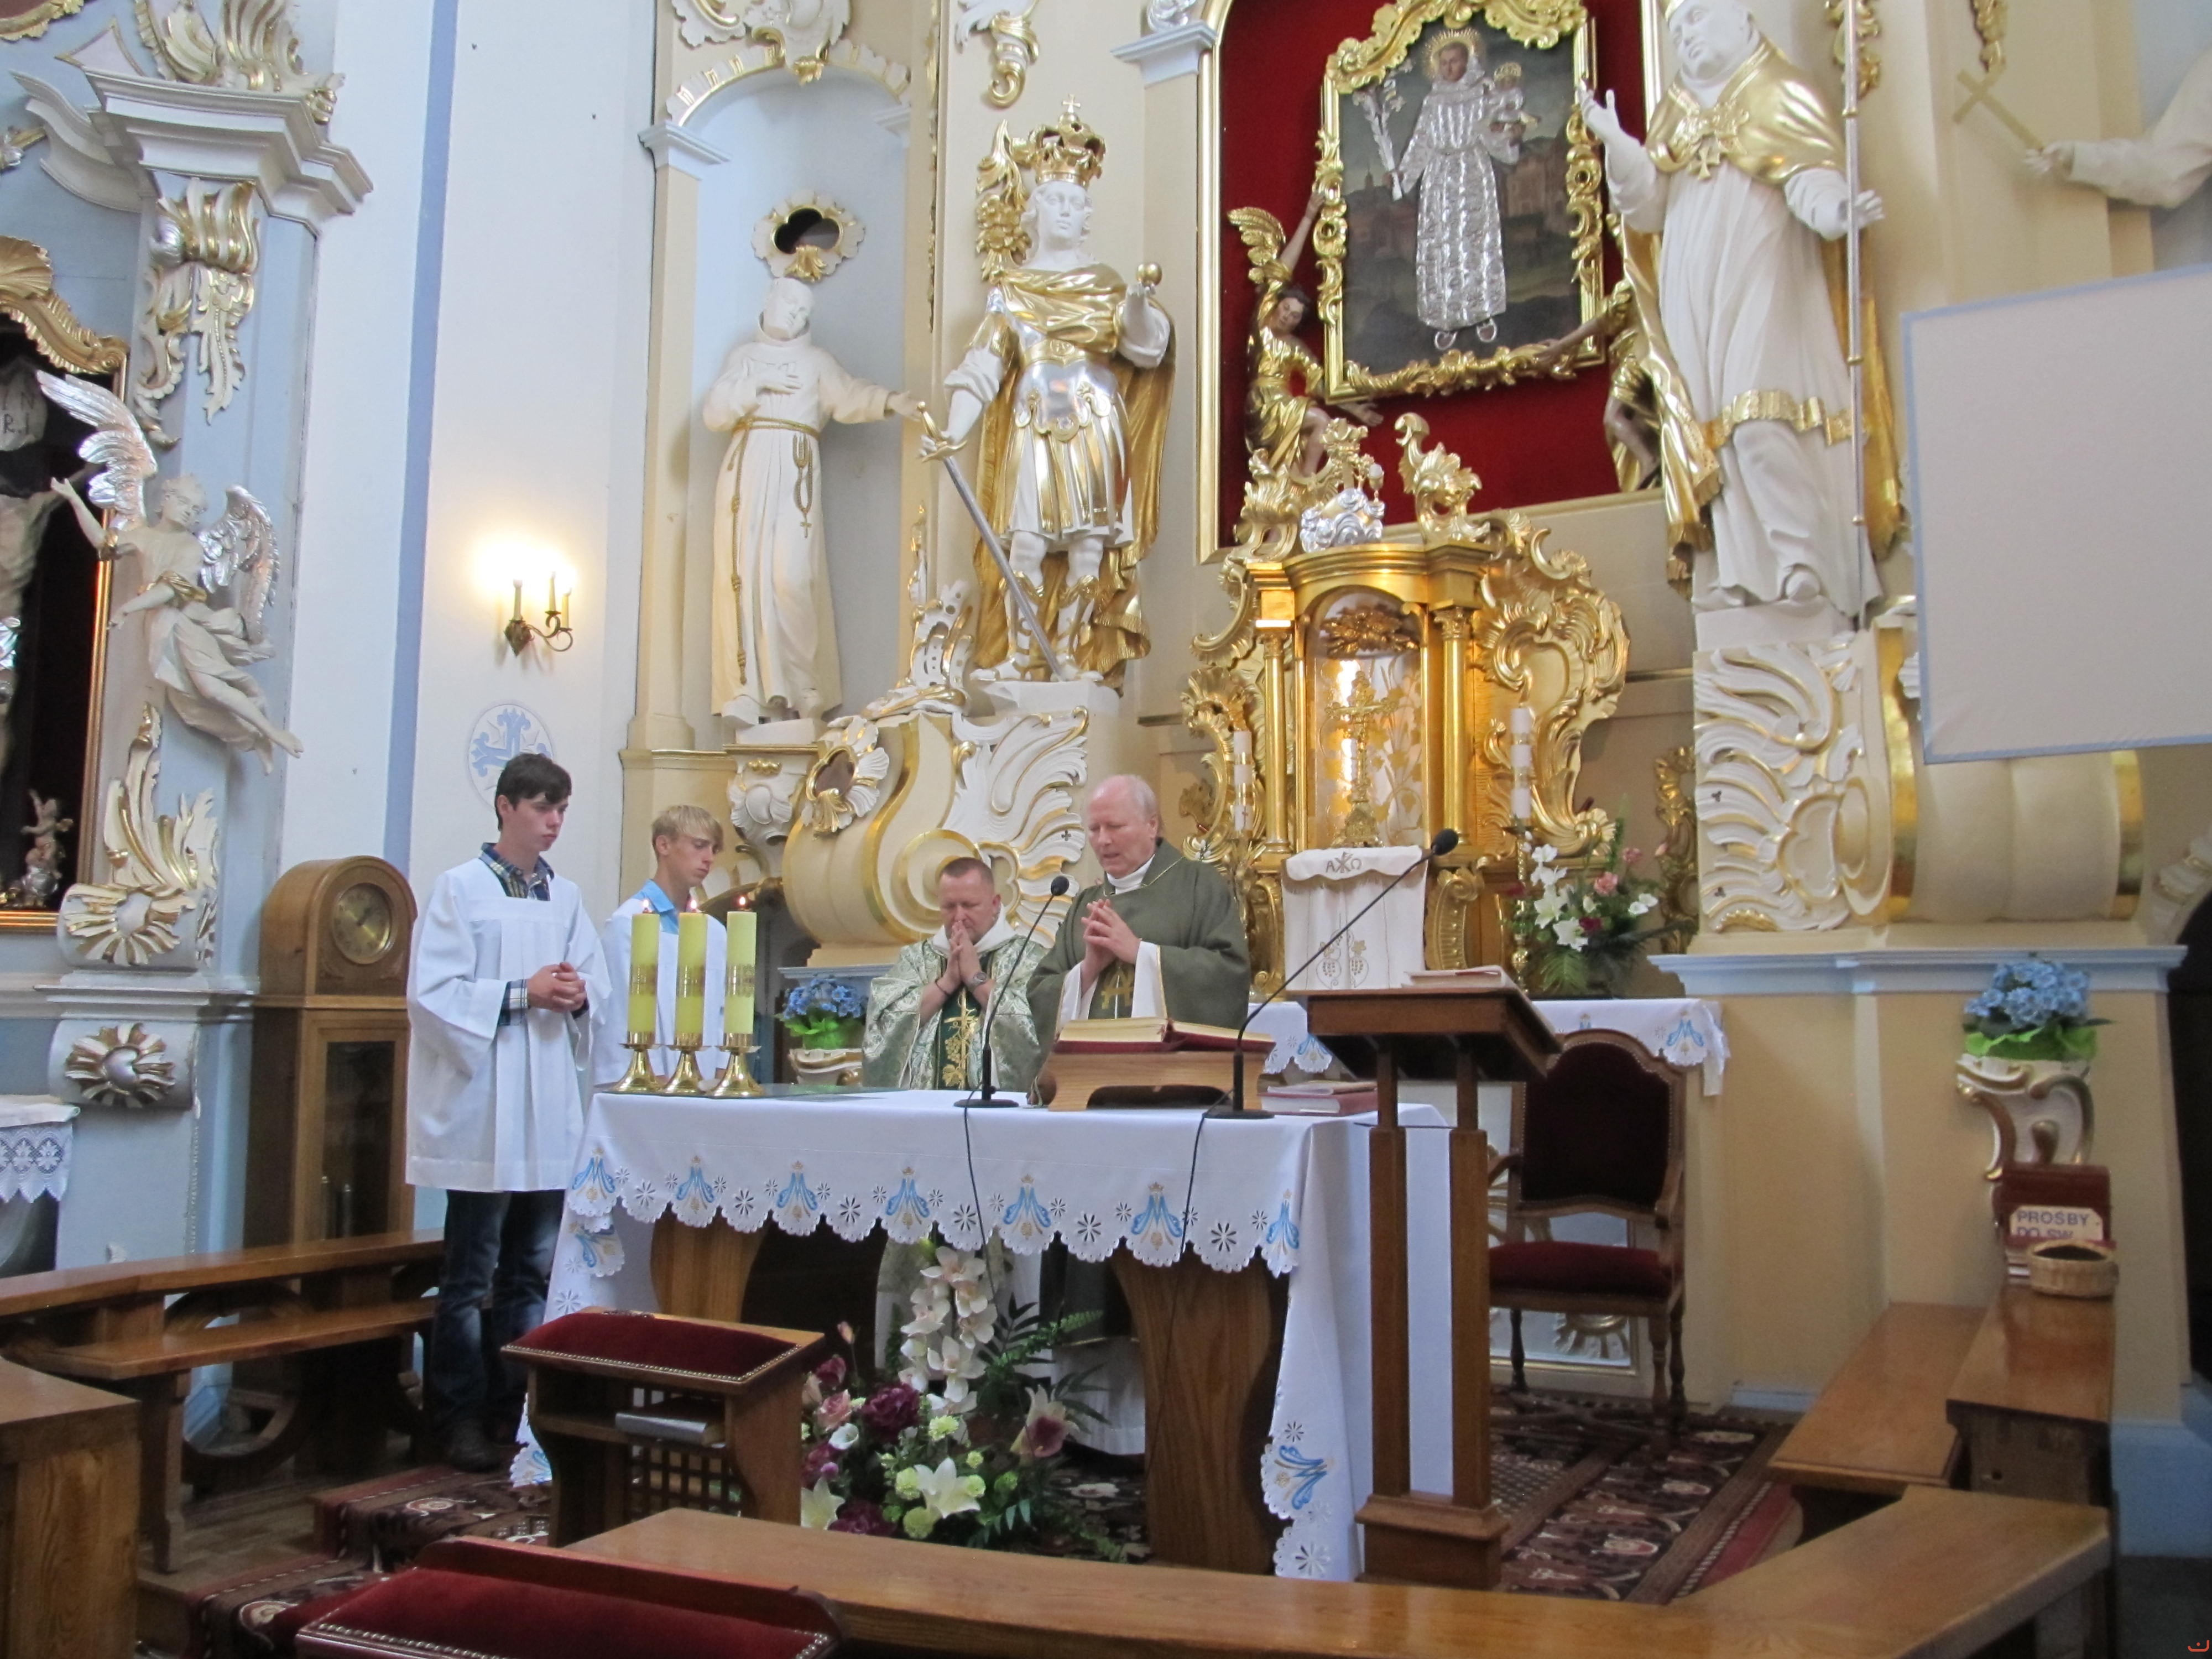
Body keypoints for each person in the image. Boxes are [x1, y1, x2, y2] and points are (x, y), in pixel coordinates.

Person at [1579, 0, 1897, 646]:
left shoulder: (1780, 92)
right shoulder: (1673, 111)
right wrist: (1620, 147)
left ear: (1742, 17)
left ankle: (1803, 559)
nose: (1687, 36)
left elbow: (1808, 173)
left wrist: (1834, 209)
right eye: (1677, 29)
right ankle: (1743, 570)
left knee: (1758, 420)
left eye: (1697, 18)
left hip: (1761, 275)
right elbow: (1648, 211)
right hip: (1694, 292)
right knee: (1712, 438)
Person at [406, 754, 609, 1472]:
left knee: (531, 1272)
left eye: (562, 809)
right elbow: (432, 994)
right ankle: (456, 1415)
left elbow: (596, 987)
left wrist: (579, 996)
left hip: (546, 1105)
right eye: (542, 807)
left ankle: (514, 1409)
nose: (554, 822)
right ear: (505, 807)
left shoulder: (567, 898)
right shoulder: (460, 889)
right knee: (470, 1277)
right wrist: (525, 993)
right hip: (486, 1111)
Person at [939, 102, 1173, 682]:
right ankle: (1021, 657)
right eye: (1055, 201)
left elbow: (1146, 349)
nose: (1065, 211)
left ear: (1085, 214)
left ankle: (1070, 654)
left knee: (1088, 546)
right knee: (1026, 543)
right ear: (1035, 211)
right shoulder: (1012, 287)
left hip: (1094, 415)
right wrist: (953, 431)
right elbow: (984, 363)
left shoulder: (1106, 283)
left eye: (1074, 202)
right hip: (1036, 415)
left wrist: (1137, 302)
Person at [706, 276, 921, 728]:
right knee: (745, 575)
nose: (795, 314)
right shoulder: (744, 358)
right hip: (748, 470)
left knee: (792, 578)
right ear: (769, 299)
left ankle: (805, 687)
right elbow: (716, 414)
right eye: (790, 303)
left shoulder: (816, 362)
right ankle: (747, 692)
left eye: (804, 310)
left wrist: (891, 401)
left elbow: (849, 395)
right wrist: (757, 383)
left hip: (796, 471)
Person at [1027, 774, 1251, 1037]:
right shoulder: (1085, 904)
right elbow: (1040, 992)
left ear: (1151, 825)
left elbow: (1229, 974)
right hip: (1091, 1062)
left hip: (1169, 1062)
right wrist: (1087, 971)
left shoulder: (1198, 886)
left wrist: (1140, 953)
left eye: (1115, 826)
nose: (1103, 840)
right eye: (1094, 829)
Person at [863, 856, 1051, 1091]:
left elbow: (1038, 1029)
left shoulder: (1028, 957)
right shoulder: (916, 958)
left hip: (998, 1106)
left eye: (969, 905)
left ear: (995, 904)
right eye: (949, 906)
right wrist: (946, 982)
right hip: (926, 1105)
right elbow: (883, 1029)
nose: (959, 916)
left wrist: (976, 978)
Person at [1395, 29, 1529, 351]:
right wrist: (1403, 175)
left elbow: (1494, 131)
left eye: (1455, 61)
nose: (1449, 67)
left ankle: (1482, 313)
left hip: (1472, 171)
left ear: (1468, 62)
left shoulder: (1482, 94)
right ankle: (1446, 319)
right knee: (1442, 246)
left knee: (1475, 242)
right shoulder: (1433, 101)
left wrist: (1508, 136)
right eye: (1443, 62)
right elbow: (1422, 142)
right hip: (1439, 179)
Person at [591, 804, 727, 1089]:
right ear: (664, 845)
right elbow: (619, 1015)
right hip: (649, 1086)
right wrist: (655, 1080)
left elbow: (723, 1012)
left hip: (705, 1086)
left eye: (714, 849)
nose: (709, 858)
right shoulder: (628, 923)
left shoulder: (714, 931)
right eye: (699, 846)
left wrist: (722, 1075)